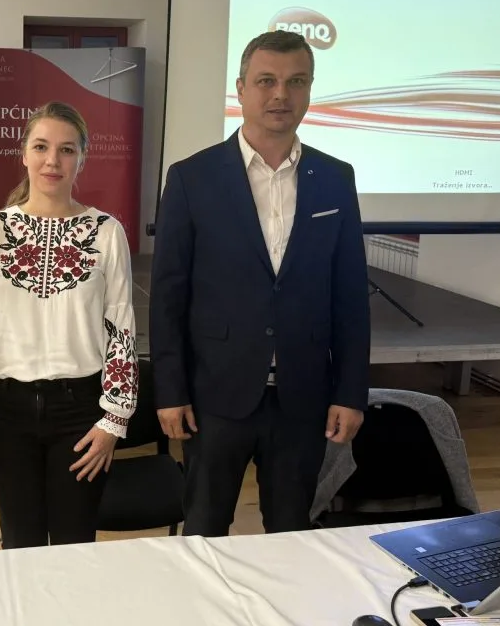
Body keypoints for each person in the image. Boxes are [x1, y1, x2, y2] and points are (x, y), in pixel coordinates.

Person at [149, 30, 371, 535]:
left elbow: (350, 297)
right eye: (266, 81)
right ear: (241, 88)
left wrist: (350, 391)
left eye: (296, 82)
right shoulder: (191, 178)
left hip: (303, 397)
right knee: (205, 531)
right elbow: (168, 297)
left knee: (291, 533)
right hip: (214, 397)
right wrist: (170, 390)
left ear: (309, 89)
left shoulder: (335, 178)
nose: (281, 95)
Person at [0, 101, 139, 548]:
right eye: (41, 147)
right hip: (9, 412)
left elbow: (121, 330)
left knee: (75, 543)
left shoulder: (107, 232)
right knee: (20, 543)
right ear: (23, 153)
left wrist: (113, 421)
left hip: (81, 412)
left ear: (82, 158)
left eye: (66, 150)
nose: (52, 161)